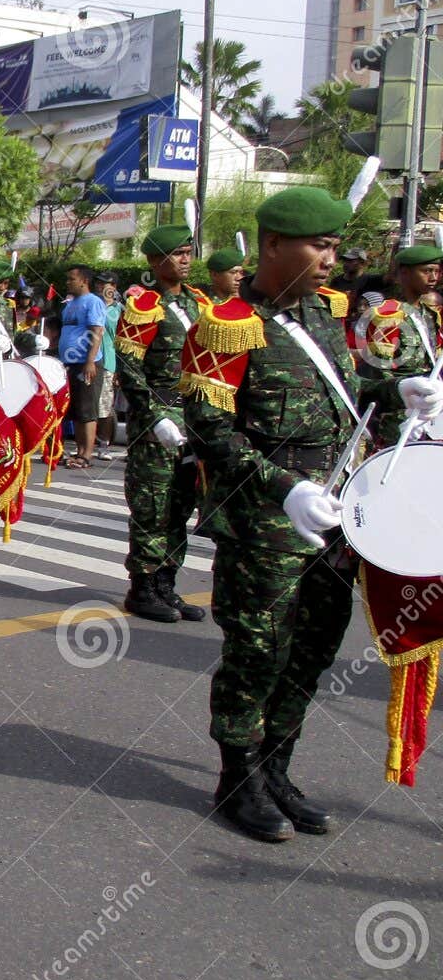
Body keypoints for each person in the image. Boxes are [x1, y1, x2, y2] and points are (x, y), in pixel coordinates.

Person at [179, 186, 441, 841]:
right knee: (257, 653)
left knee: (314, 651)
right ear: (273, 245)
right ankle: (237, 778)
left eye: (332, 247)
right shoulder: (230, 322)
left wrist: (395, 388)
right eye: (318, 246)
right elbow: (211, 429)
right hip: (267, 523)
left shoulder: (325, 316)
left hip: (337, 517)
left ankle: (277, 768)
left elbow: (346, 393)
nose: (330, 259)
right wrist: (281, 488)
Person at [115, 227, 207, 622]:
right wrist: (153, 416)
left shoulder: (201, 303)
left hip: (194, 418)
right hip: (159, 421)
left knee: (181, 504)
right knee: (153, 505)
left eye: (188, 252)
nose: (185, 260)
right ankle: (143, 587)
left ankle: (166, 584)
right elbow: (129, 367)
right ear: (155, 262)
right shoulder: (145, 306)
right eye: (176, 254)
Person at [354, 243, 441, 447]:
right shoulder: (388, 315)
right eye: (427, 271)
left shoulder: (429, 315)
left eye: (437, 271)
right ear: (404, 272)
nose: (433, 277)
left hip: (427, 409)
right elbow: (379, 376)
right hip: (397, 418)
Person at [57, 264, 106, 471]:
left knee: (87, 409)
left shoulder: (93, 302)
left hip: (87, 363)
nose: (68, 282)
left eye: (71, 279)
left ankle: (87, 454)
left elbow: (97, 331)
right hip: (70, 363)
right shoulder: (70, 304)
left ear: (84, 281)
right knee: (76, 410)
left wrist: (90, 361)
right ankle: (78, 450)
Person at [97, 279, 122, 458]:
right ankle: (87, 445)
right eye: (100, 283)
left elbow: (124, 341)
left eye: (108, 284)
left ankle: (104, 445)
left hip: (109, 363)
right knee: (89, 406)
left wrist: (120, 369)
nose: (104, 287)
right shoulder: (92, 305)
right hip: (89, 361)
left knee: (105, 406)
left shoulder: (120, 310)